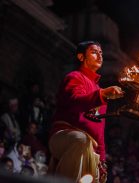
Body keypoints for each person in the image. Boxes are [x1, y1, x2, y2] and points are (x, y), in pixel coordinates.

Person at [48, 41, 124, 183]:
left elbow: (99, 131)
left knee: (98, 177)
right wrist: (102, 94)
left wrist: (102, 160)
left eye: (101, 53)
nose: (100, 56)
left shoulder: (99, 91)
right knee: (81, 140)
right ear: (81, 57)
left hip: (89, 147)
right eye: (94, 52)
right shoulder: (74, 77)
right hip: (64, 136)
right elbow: (75, 101)